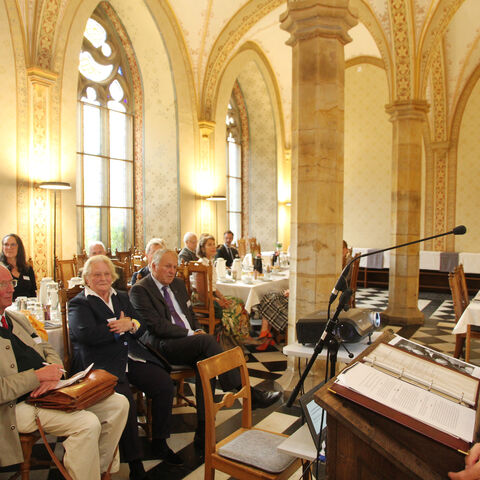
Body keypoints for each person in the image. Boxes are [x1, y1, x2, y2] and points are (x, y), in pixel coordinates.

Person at [129, 248, 282, 450]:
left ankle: (203, 430)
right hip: (163, 344)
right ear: (153, 266)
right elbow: (157, 327)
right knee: (207, 343)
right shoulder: (140, 289)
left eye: (174, 267)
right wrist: (192, 334)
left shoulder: (177, 284)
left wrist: (197, 330)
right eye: (167, 266)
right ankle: (247, 393)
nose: (172, 271)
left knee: (205, 365)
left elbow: (190, 314)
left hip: (189, 340)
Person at [0, 263, 129, 480]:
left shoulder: (17, 319)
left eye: (10, 283)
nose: (11, 288)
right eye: (3, 284)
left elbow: (47, 349)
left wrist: (56, 373)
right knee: (87, 424)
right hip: (16, 405)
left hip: (50, 391)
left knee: (118, 404)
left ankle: (96, 469)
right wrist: (37, 378)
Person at [68, 255, 181, 480]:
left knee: (163, 384)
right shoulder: (79, 302)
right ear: (87, 279)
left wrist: (130, 324)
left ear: (113, 276)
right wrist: (119, 327)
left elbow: (141, 326)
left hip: (130, 357)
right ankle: (135, 463)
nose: (103, 278)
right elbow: (85, 334)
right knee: (125, 401)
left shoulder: (120, 296)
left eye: (107, 274)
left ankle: (159, 441)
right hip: (99, 365)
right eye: (97, 275)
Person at [197, 234, 250, 346]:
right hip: (204, 299)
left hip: (211, 295)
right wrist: (216, 300)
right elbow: (202, 292)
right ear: (202, 248)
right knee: (235, 308)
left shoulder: (210, 263)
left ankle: (242, 339)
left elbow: (213, 287)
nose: (213, 247)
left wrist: (222, 298)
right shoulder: (201, 264)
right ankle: (229, 343)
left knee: (238, 302)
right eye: (209, 245)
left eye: (214, 244)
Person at [1, 233, 36, 299]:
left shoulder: (28, 269)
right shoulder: (1, 269)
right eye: (6, 244)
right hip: (6, 307)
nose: (9, 247)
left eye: (13, 245)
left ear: (19, 247)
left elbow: (33, 293)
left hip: (26, 307)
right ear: (2, 248)